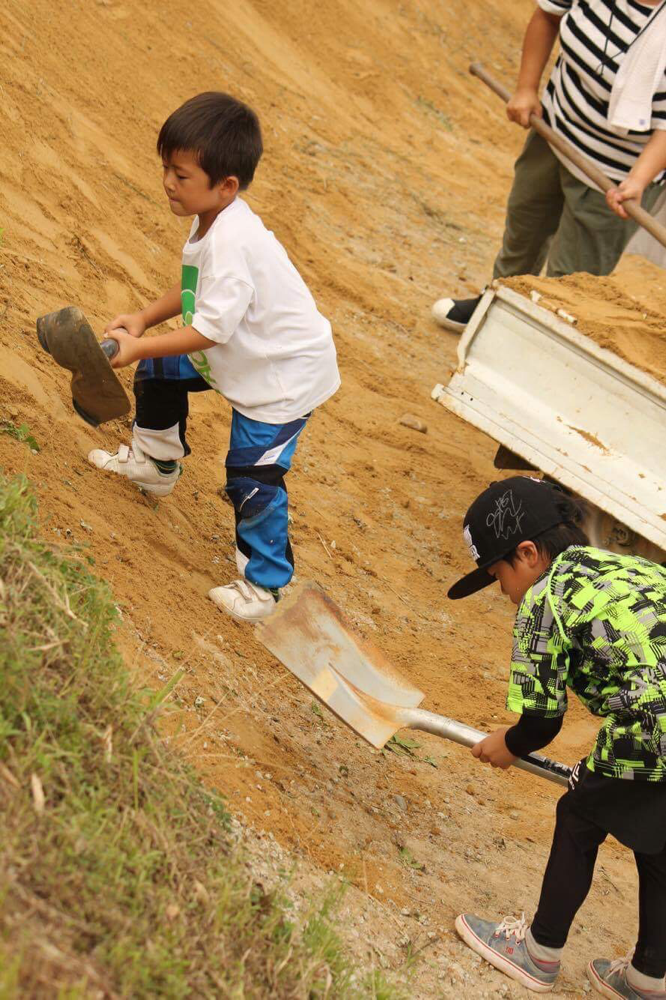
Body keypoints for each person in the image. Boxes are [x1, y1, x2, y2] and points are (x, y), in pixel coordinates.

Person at [88, 92, 340, 622]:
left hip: (279, 380)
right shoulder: (212, 218)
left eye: (181, 176)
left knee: (252, 477)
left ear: (226, 185)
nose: (168, 184)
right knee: (157, 367)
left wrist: (136, 345)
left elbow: (207, 328)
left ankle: (265, 589)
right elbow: (195, 293)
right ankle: (154, 465)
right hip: (241, 353)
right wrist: (143, 320)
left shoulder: (233, 239)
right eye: (166, 170)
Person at [447, 476, 666, 997]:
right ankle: (649, 977)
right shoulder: (626, 564)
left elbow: (543, 720)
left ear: (527, 553)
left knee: (580, 814)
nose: (501, 588)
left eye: (497, 572)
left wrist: (509, 743)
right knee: (659, 841)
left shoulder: (543, 601)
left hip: (655, 719)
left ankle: (539, 951)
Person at [433, 0, 666, 333]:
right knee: (523, 231)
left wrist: (639, 180)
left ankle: (536, 342)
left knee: (571, 279)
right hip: (554, 133)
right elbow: (546, 15)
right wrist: (526, 88)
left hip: (615, 177)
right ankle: (494, 306)